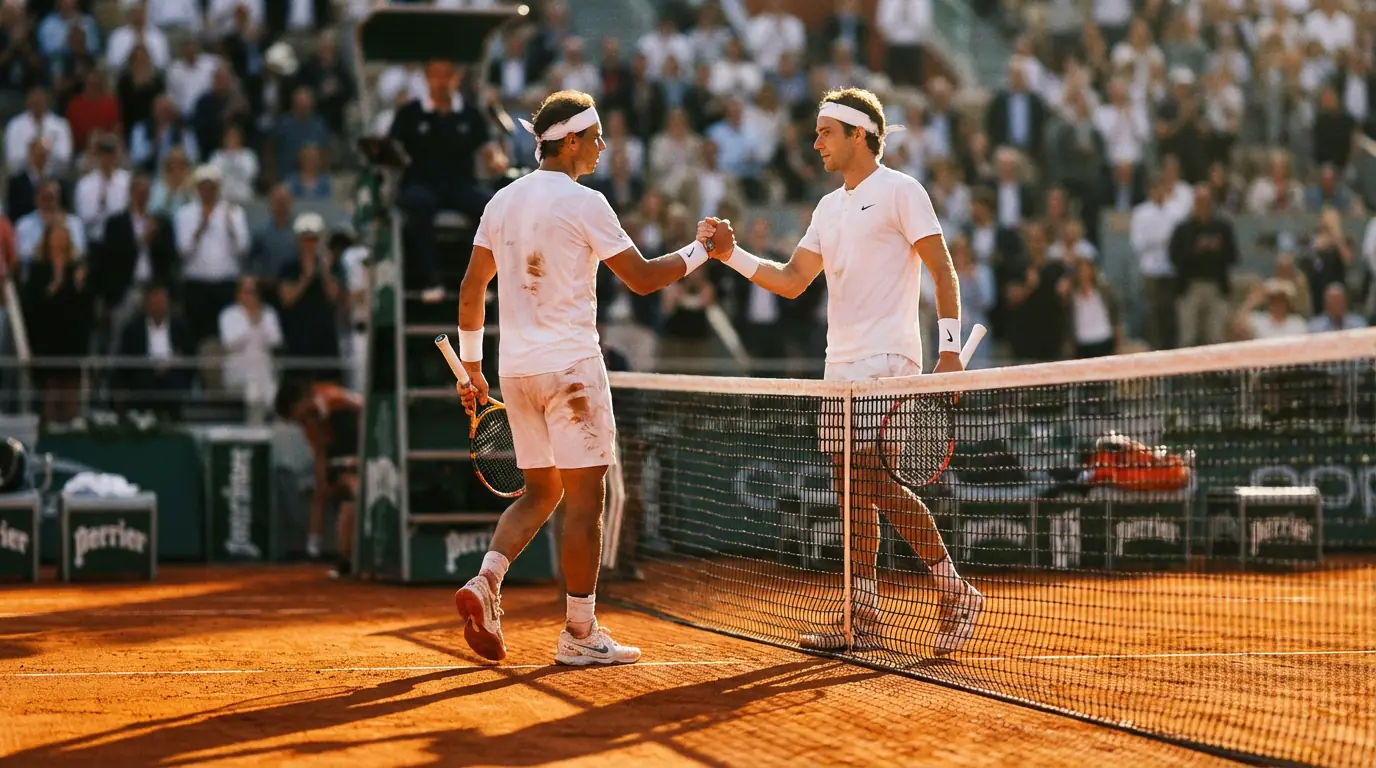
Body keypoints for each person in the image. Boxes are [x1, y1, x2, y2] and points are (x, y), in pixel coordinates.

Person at [698, 88, 985, 657]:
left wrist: (948, 351)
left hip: (888, 360)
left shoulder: (904, 191)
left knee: (873, 479)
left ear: (860, 135)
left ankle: (955, 590)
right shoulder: (827, 208)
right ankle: (864, 614)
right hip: (840, 365)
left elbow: (944, 272)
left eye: (826, 132)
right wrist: (729, 255)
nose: (816, 142)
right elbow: (790, 279)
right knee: (850, 488)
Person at [452, 89, 719, 667]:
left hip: (516, 373)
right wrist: (703, 252)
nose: (602, 148)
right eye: (595, 138)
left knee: (542, 491)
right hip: (571, 373)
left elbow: (472, 288)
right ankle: (579, 631)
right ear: (570, 140)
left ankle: (485, 581)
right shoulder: (586, 203)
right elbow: (644, 279)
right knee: (582, 502)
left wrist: (472, 368)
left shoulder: (500, 202)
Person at [274, 377, 362, 577]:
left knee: (353, 494)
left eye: (297, 416)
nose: (299, 422)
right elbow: (321, 453)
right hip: (341, 457)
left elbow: (366, 410)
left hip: (363, 448)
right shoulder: (311, 424)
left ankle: (349, 557)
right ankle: (335, 555)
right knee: (347, 498)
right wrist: (322, 483)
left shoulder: (336, 400)